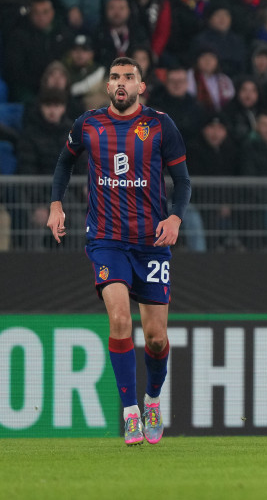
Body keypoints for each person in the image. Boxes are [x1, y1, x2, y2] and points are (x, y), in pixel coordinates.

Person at [46, 56, 192, 446]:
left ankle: (153, 401)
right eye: (115, 77)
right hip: (107, 241)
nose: (121, 82)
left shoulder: (160, 125)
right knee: (121, 321)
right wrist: (56, 205)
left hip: (151, 244)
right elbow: (64, 163)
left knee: (157, 337)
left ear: (141, 86)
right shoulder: (88, 124)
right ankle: (129, 414)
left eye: (129, 77)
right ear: (107, 86)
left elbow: (182, 180)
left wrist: (176, 219)